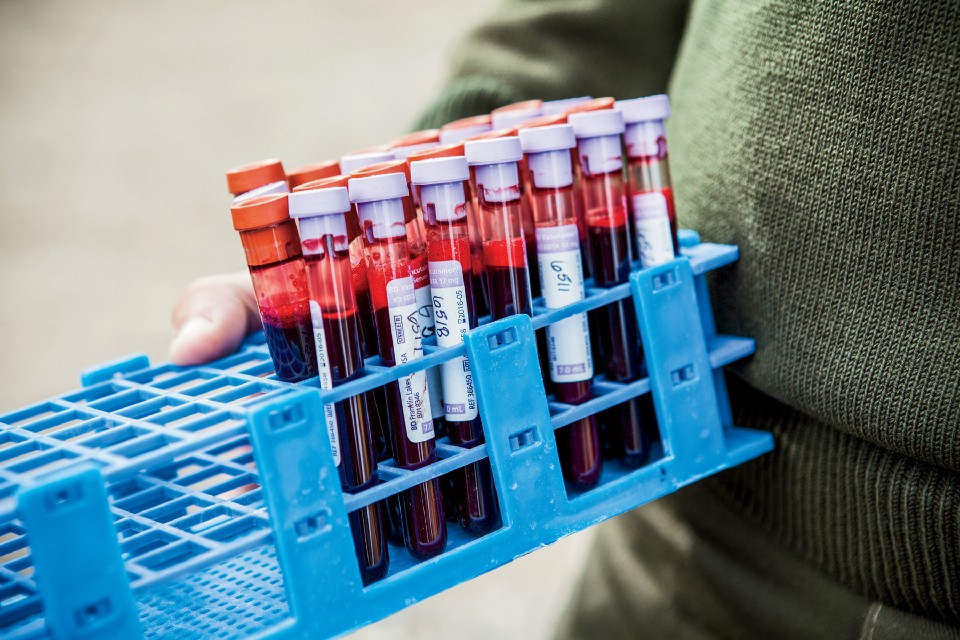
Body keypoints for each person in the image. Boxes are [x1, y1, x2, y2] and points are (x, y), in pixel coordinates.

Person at [170, 0, 960, 637]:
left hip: (904, 561)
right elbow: (574, 25)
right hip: (681, 490)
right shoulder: (433, 242)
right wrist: (456, 138)